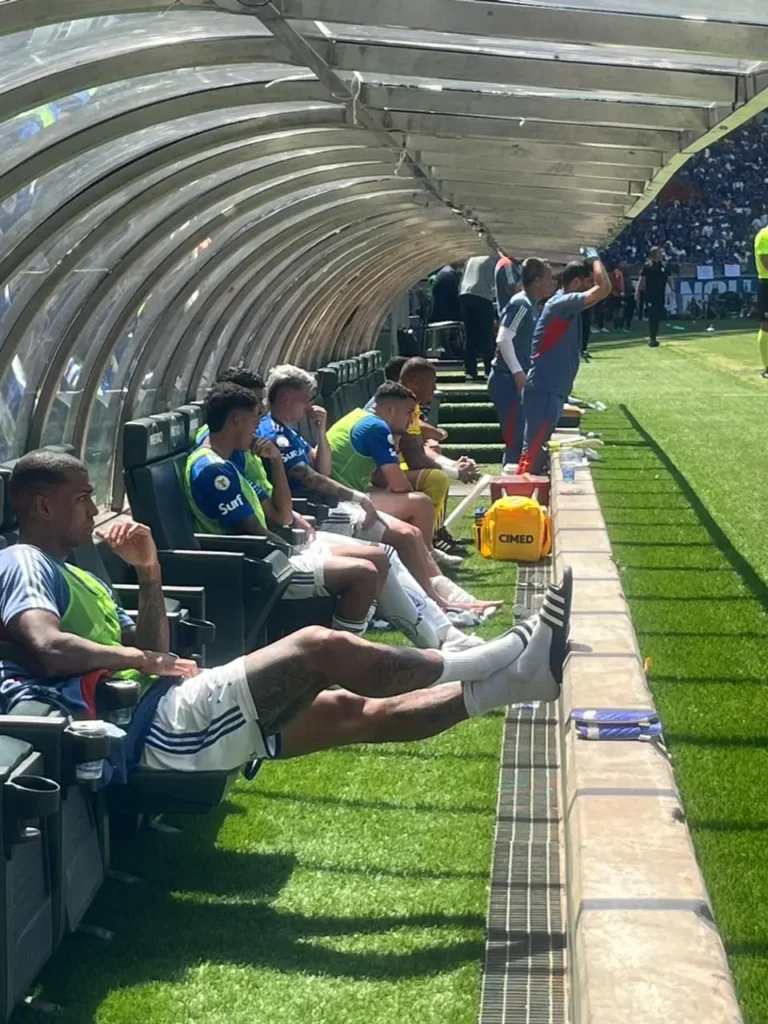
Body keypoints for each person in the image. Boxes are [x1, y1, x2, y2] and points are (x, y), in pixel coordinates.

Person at [0, 450, 571, 777]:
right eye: (81, 498)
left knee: (355, 711)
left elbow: (157, 649)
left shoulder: (74, 572)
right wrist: (135, 656)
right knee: (316, 647)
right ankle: (481, 660)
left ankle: (522, 680)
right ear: (41, 506)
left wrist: (149, 573)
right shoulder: (24, 560)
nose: (95, 508)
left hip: (153, 703)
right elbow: (44, 646)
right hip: (147, 728)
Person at [255, 364, 481, 622]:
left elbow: (323, 468)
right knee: (399, 540)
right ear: (286, 398)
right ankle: (435, 606)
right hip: (316, 509)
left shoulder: (290, 433)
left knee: (411, 534)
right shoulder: (274, 434)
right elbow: (312, 480)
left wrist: (320, 430)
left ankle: (441, 600)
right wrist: (357, 497)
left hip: (328, 504)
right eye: (305, 398)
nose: (309, 405)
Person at [185, 382, 389, 638]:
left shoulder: (229, 464)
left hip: (273, 553)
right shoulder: (213, 471)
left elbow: (280, 513)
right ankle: (344, 652)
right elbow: (255, 534)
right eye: (253, 419)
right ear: (236, 421)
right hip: (257, 566)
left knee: (377, 557)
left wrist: (277, 461)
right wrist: (296, 549)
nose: (257, 427)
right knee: (364, 573)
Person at [517, 251, 611, 476]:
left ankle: (529, 505)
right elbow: (604, 289)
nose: (553, 282)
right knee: (532, 458)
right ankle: (519, 505)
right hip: (545, 391)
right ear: (577, 282)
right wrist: (594, 257)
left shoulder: (565, 305)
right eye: (551, 277)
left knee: (536, 455)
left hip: (550, 391)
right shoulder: (562, 303)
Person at [488, 258, 555, 469]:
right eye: (549, 278)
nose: (553, 283)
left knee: (521, 441)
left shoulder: (532, 306)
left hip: (517, 382)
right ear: (536, 281)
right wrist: (518, 373)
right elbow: (503, 338)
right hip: (507, 382)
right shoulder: (521, 304)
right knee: (515, 442)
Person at [458, 255, 497, 381]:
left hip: (464, 294)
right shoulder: (492, 259)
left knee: (470, 335)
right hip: (481, 296)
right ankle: (488, 370)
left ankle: (470, 370)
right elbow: (496, 281)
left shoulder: (471, 258)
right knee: (487, 335)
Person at [636, 246, 673, 348]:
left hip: (661, 295)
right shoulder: (647, 266)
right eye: (658, 253)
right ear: (653, 254)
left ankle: (654, 336)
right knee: (652, 316)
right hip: (650, 295)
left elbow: (669, 278)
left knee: (658, 316)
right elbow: (642, 280)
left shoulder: (664, 266)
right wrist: (638, 292)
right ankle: (652, 338)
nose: (661, 255)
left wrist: (672, 289)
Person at [753, 224, 768, 377]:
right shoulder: (764, 235)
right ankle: (767, 366)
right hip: (767, 282)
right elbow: (766, 263)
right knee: (766, 325)